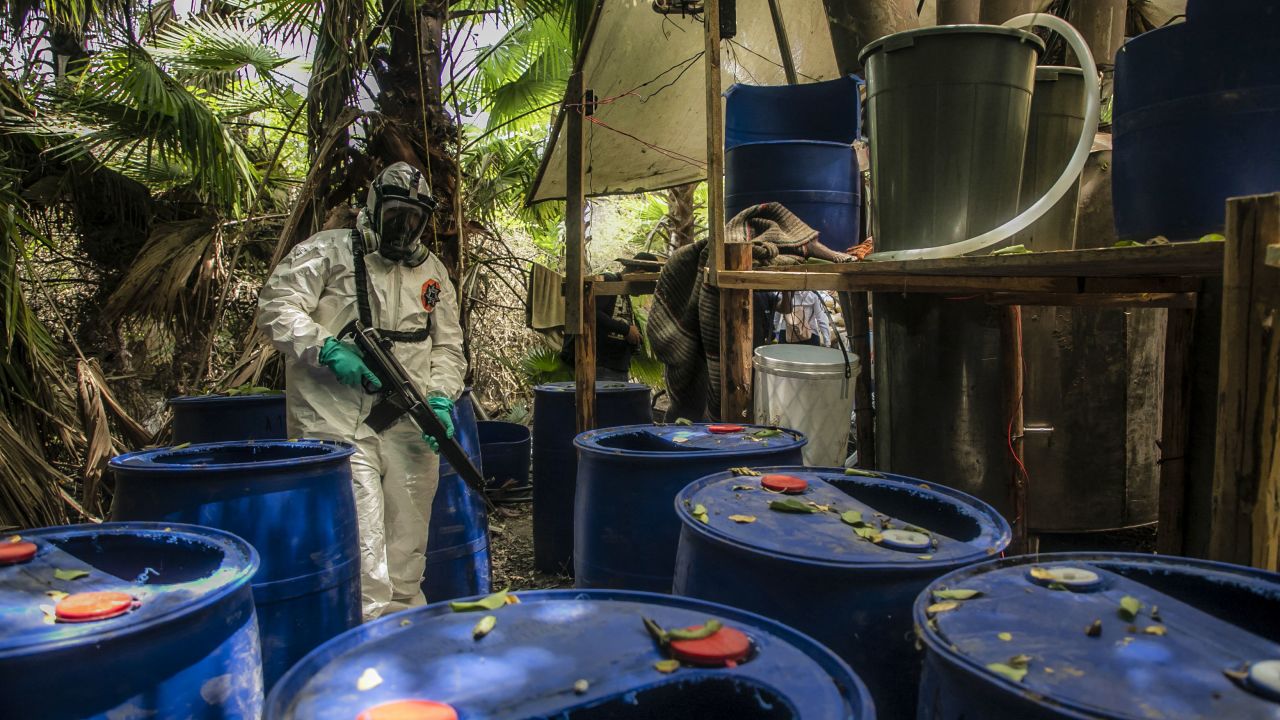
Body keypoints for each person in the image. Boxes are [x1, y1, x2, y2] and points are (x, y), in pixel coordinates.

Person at [257, 162, 466, 621]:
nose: (403, 228)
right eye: (395, 215)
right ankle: (367, 638)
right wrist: (326, 348)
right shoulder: (326, 253)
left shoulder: (431, 272)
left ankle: (404, 630)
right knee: (364, 545)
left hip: (410, 420)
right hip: (336, 418)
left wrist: (440, 397)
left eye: (414, 219)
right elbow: (277, 307)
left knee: (409, 541)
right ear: (373, 207)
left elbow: (448, 345)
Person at [561, 272, 642, 382]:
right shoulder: (610, 281)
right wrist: (626, 330)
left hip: (618, 365)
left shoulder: (624, 291)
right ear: (640, 272)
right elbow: (591, 312)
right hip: (602, 364)